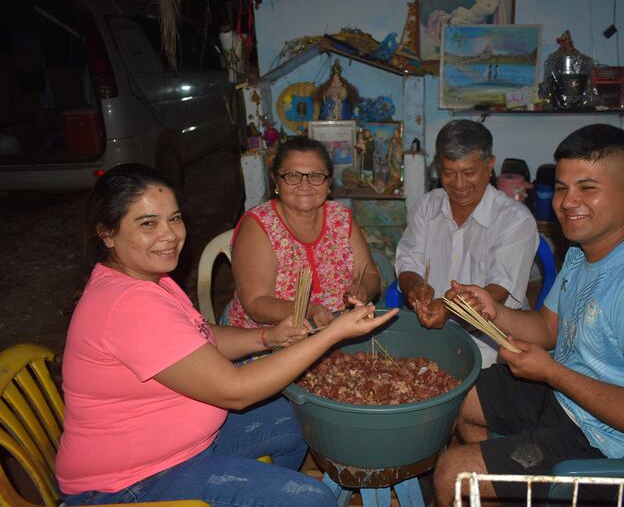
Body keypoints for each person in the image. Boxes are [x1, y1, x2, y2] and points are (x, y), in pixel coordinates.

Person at [56, 163, 399, 506]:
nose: (170, 235)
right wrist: (332, 334)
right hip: (129, 484)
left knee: (299, 417)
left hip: (185, 447)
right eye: (148, 223)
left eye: (174, 219)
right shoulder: (129, 304)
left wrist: (269, 337)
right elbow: (236, 392)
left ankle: (264, 492)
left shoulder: (148, 281)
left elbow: (199, 336)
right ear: (107, 233)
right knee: (312, 500)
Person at [432, 124, 624, 507]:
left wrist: (552, 372)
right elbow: (548, 327)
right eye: (562, 188)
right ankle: (506, 487)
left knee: (452, 473)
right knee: (458, 396)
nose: (567, 202)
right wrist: (494, 311)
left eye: (587, 188)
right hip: (574, 403)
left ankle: (498, 481)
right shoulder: (584, 251)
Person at [395, 119, 538, 367]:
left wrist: (449, 308)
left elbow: (499, 290)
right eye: (448, 173)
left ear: (490, 164)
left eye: (469, 172)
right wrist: (416, 286)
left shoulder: (515, 220)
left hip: (491, 343)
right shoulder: (427, 207)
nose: (459, 184)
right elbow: (407, 263)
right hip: (429, 335)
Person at [224, 136, 381, 329]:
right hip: (268, 337)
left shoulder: (341, 218)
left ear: (329, 182)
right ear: (275, 180)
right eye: (292, 175)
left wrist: (363, 289)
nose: (304, 185)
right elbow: (256, 302)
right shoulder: (259, 226)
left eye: (315, 176)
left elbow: (370, 274)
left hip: (338, 331)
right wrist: (307, 310)